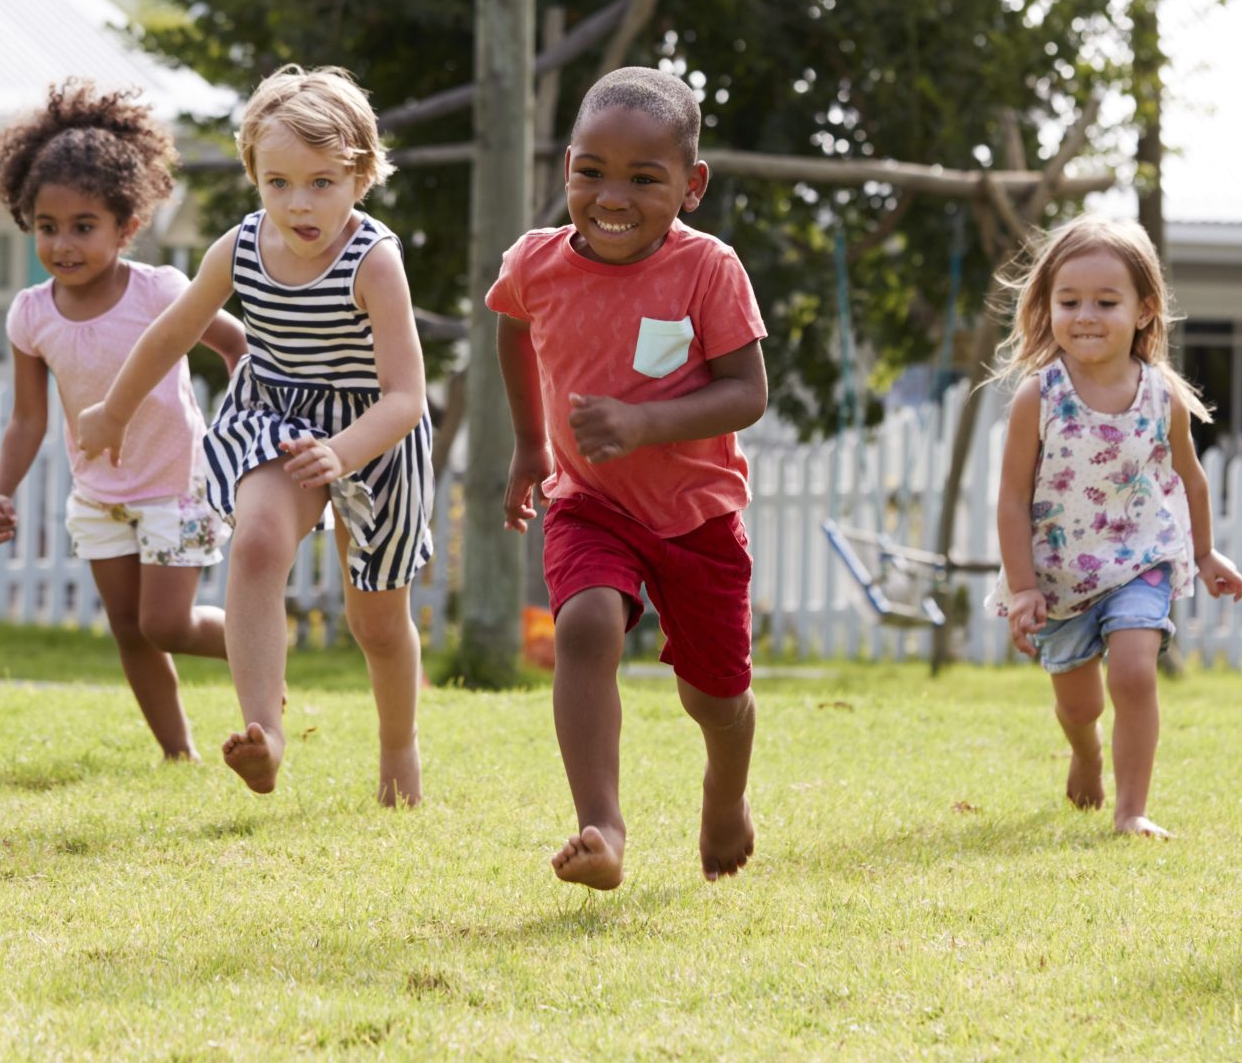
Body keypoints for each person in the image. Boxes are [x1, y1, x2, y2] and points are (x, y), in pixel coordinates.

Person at [75, 66, 432, 806]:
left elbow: (406, 396)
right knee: (260, 542)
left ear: (361, 176)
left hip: (373, 432)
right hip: (276, 415)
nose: (298, 203)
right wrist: (114, 409)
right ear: (255, 178)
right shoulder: (239, 248)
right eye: (278, 183)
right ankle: (262, 735)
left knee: (378, 624)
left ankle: (398, 750)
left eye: (322, 182)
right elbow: (171, 332)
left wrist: (345, 452)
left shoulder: (374, 260)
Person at [492, 66, 769, 890]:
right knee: (582, 629)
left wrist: (644, 422)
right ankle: (600, 826)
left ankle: (725, 793)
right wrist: (530, 445)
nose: (612, 196)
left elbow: (747, 392)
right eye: (591, 172)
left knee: (714, 699)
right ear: (566, 167)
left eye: (644, 178)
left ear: (691, 186)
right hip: (592, 503)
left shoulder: (707, 270)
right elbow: (512, 325)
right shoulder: (535, 263)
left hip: (697, 515)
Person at [0, 78, 249, 760]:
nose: (62, 244)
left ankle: (259, 650)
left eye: (83, 227)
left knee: (166, 623)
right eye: (47, 227)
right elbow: (27, 420)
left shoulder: (160, 291)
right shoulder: (31, 314)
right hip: (98, 493)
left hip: (176, 485)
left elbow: (237, 345)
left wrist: (251, 424)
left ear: (127, 227)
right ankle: (176, 754)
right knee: (129, 630)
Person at [991, 216, 1242, 837]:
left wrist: (1206, 554)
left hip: (1140, 558)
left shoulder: (1162, 395)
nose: (1086, 315)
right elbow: (1011, 496)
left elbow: (1191, 479)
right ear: (1046, 306)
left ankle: (1132, 812)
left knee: (1134, 672)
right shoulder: (1040, 395)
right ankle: (1086, 751)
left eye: (1106, 302)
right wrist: (1023, 587)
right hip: (1057, 574)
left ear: (1143, 309)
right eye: (1069, 300)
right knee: (1080, 703)